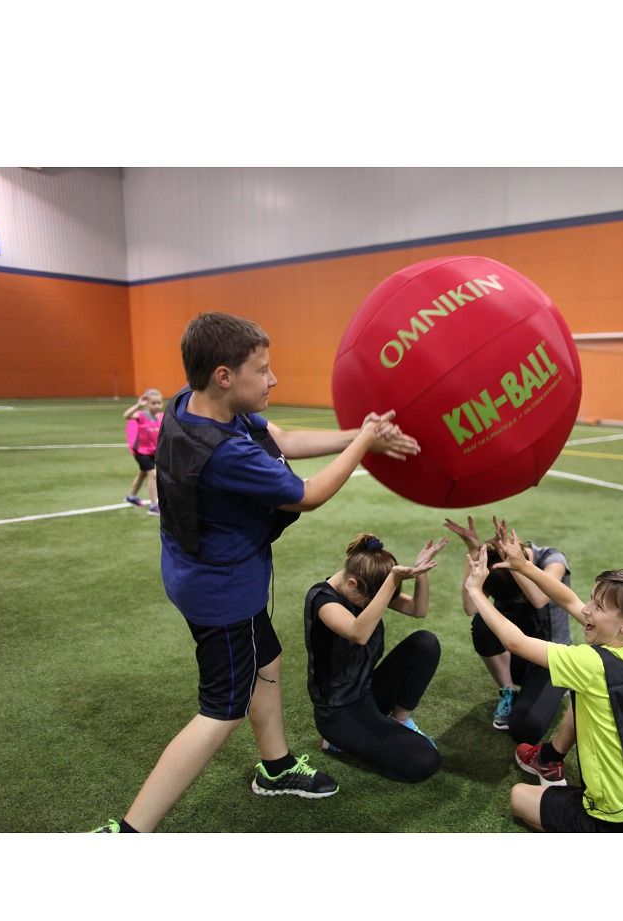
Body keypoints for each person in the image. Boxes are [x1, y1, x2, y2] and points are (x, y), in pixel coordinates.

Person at [93, 311, 419, 832]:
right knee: (220, 710)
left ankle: (276, 766)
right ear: (224, 376)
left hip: (191, 567)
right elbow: (307, 495)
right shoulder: (223, 453)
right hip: (222, 591)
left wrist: (359, 433)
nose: (273, 380)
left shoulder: (190, 402)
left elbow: (284, 439)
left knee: (267, 655)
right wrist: (365, 444)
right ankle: (130, 831)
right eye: (262, 370)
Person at [463, 532, 623, 834]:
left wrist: (476, 591)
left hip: (620, 816)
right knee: (584, 698)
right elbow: (568, 599)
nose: (587, 608)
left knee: (519, 798)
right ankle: (549, 759)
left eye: (599, 607)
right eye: (592, 599)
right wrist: (523, 566)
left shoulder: (589, 664)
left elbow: (515, 642)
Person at [304, 532, 447, 783]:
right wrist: (392, 580)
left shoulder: (363, 587)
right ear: (352, 585)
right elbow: (357, 633)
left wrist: (420, 571)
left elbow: (418, 609)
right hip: (338, 713)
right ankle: (337, 741)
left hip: (367, 691)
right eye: (373, 599)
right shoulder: (322, 600)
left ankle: (400, 720)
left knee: (425, 643)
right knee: (425, 761)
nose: (376, 605)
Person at [445, 515, 571, 742]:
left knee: (525, 728)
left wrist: (515, 565)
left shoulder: (552, 559)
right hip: (518, 653)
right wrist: (473, 552)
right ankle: (508, 689)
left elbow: (540, 599)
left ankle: (558, 689)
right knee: (481, 623)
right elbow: (470, 607)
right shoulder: (495, 568)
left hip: (552, 659)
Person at [123, 389, 164, 515]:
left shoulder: (161, 416)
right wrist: (138, 405)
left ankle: (132, 497)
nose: (157, 406)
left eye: (159, 403)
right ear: (147, 403)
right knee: (152, 474)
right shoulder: (140, 415)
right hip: (141, 452)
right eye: (153, 403)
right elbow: (126, 415)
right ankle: (154, 505)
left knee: (143, 474)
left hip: (153, 452)